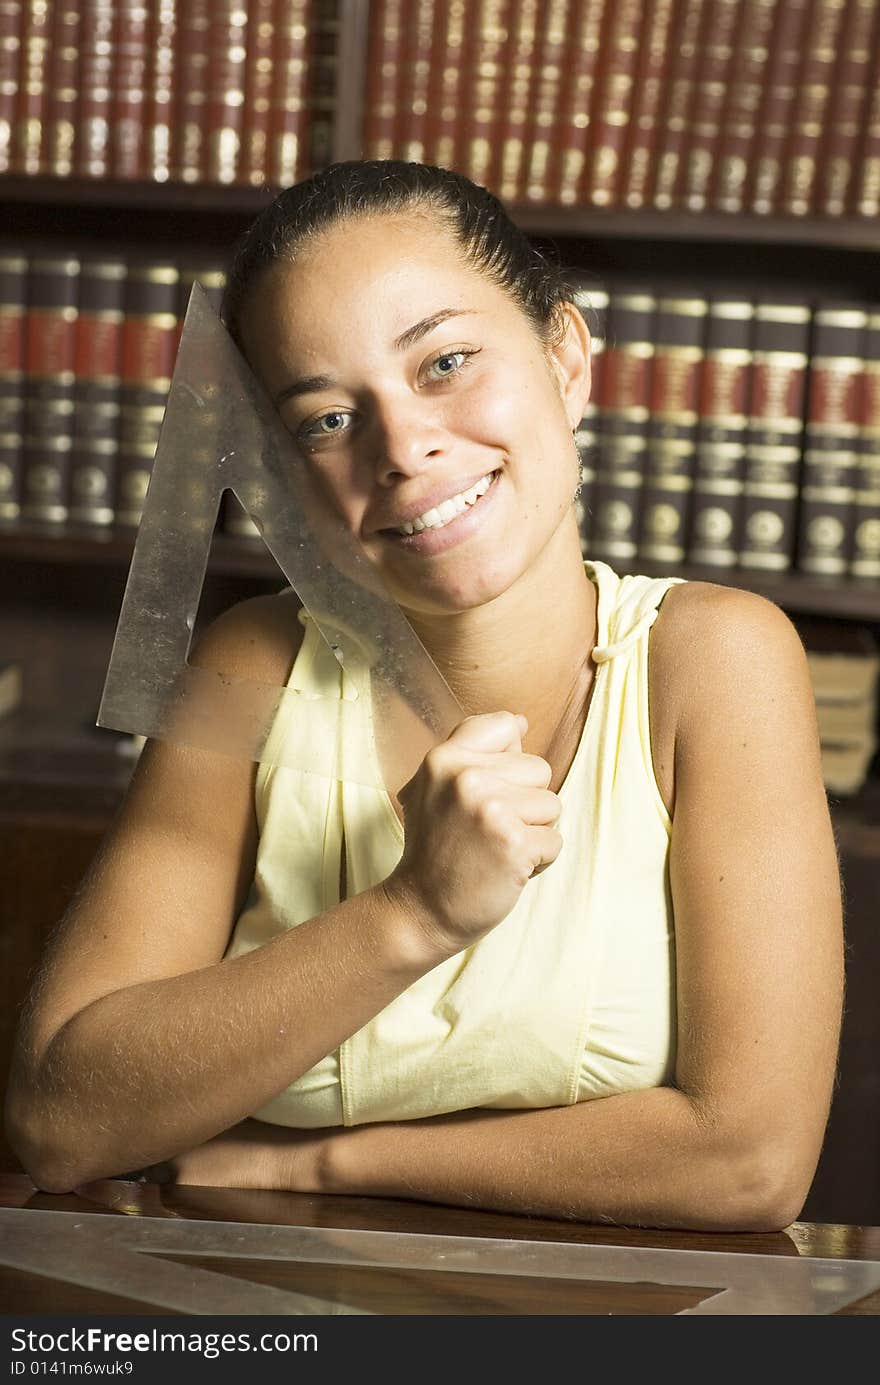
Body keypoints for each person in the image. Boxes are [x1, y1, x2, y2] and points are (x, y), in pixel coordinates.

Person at [5, 161, 844, 1231]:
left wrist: (312, 1167)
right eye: (325, 419)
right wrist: (416, 911)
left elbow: (746, 1163)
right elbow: (62, 1120)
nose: (403, 449)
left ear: (565, 358)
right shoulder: (250, 665)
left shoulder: (715, 660)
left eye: (445, 361)